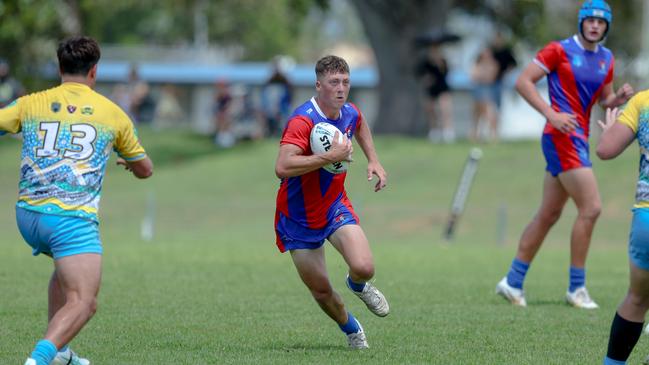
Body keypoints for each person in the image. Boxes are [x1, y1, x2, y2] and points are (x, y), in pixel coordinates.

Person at [0, 36, 153, 365]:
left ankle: (61, 354)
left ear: (60, 68)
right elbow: (146, 169)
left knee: (64, 273)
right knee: (84, 301)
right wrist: (130, 163)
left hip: (27, 216)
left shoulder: (31, 102)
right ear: (94, 71)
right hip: (70, 219)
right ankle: (38, 360)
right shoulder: (113, 114)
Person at [495, 0, 634, 309]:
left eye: (601, 22)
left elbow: (604, 99)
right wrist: (551, 113)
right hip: (560, 136)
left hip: (579, 138)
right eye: (590, 20)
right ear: (581, 22)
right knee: (592, 208)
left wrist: (617, 99)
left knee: (549, 214)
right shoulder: (558, 50)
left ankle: (512, 282)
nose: (595, 25)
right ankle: (577, 288)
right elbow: (523, 82)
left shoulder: (606, 59)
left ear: (606, 27)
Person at [274, 55, 389, 349]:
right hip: (298, 216)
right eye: (334, 82)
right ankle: (352, 329)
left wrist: (374, 160)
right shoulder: (303, 120)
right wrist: (329, 157)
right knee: (322, 290)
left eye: (346, 82)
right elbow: (283, 167)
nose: (341, 88)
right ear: (318, 85)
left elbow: (360, 123)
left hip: (334, 204)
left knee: (364, 266)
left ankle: (357, 285)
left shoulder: (349, 112)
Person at [598, 100, 649, 364]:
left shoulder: (642, 101)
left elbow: (605, 149)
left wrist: (609, 132)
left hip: (645, 219)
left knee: (637, 298)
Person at [417, 44, 455, 143]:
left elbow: (446, 73)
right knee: (431, 110)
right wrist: (426, 79)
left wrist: (439, 64)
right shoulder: (425, 63)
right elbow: (419, 75)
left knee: (445, 110)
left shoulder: (443, 61)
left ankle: (448, 132)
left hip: (442, 88)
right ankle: (434, 131)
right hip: (431, 90)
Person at [470, 47, 499, 142]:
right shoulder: (477, 64)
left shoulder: (493, 64)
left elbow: (490, 78)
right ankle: (476, 134)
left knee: (489, 113)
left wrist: (481, 75)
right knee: (477, 114)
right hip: (479, 90)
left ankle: (492, 134)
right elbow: (473, 76)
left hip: (488, 90)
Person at [490, 31, 517, 132]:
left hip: (500, 81)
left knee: (497, 106)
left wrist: (506, 73)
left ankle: (497, 128)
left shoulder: (506, 52)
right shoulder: (491, 51)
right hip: (490, 82)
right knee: (489, 105)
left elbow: (514, 64)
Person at [261, 58, 293, 137]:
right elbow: (265, 92)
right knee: (271, 120)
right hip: (272, 105)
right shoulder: (270, 80)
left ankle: (282, 132)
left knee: (282, 120)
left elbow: (290, 92)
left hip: (282, 105)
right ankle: (271, 132)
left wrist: (288, 102)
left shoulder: (285, 80)